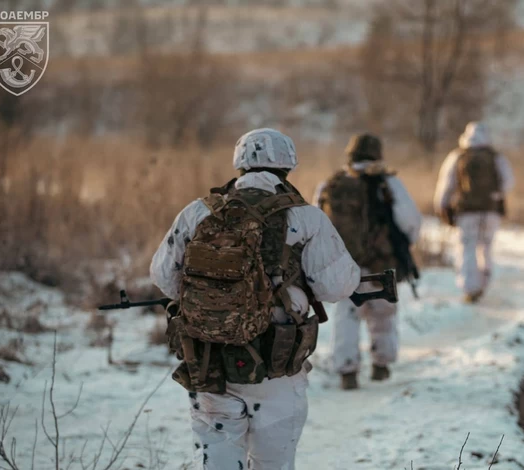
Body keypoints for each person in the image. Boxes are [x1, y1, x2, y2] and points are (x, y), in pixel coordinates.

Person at [150, 128, 361, 470]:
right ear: (287, 166)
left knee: (215, 456)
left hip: (208, 360)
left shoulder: (198, 213)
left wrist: (215, 305)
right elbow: (336, 287)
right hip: (275, 365)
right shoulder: (305, 217)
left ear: (239, 164)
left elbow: (164, 276)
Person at [314, 133, 422, 391]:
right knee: (382, 313)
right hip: (380, 263)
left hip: (342, 265)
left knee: (346, 316)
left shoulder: (331, 184)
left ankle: (347, 371)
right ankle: (381, 365)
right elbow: (410, 221)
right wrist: (402, 245)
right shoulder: (388, 183)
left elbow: (315, 223)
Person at [434, 121, 515, 303]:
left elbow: (446, 184)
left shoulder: (458, 156)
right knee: (485, 246)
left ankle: (470, 288)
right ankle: (484, 282)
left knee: (467, 247)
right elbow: (509, 181)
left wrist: (442, 206)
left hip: (466, 211)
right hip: (490, 210)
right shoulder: (495, 157)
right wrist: (496, 195)